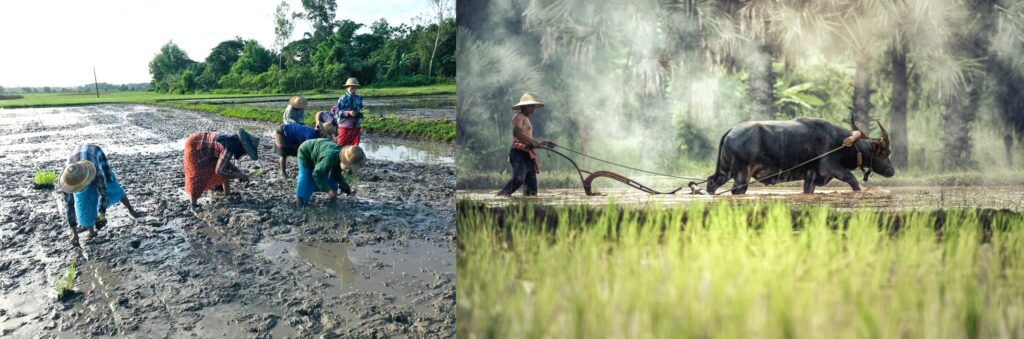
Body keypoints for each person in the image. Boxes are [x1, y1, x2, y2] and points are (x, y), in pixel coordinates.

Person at [58, 144, 141, 246]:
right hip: (77, 159)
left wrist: (102, 214)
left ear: (88, 178)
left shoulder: (97, 172)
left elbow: (104, 194)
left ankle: (131, 210)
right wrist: (74, 233)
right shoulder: (68, 181)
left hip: (95, 153)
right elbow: (69, 206)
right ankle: (92, 232)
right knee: (83, 202)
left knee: (112, 186)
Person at [497, 93, 555, 197]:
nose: (533, 108)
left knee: (531, 189)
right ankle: (500, 198)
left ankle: (529, 208)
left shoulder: (527, 119)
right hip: (518, 154)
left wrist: (544, 143)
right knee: (519, 179)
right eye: (530, 105)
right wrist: (533, 141)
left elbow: (528, 141)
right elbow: (516, 132)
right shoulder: (518, 116)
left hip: (528, 155)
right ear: (523, 106)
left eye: (533, 105)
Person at [183, 129, 260, 207]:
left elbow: (226, 163)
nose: (245, 154)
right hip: (195, 143)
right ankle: (193, 204)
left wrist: (238, 172)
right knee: (197, 173)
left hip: (208, 145)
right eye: (246, 152)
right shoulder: (230, 146)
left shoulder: (234, 142)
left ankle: (227, 194)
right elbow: (219, 170)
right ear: (243, 148)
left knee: (224, 167)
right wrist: (238, 175)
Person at [295, 139, 364, 205]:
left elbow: (336, 172)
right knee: (306, 178)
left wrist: (343, 183)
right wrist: (328, 190)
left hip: (322, 152)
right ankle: (300, 200)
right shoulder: (329, 159)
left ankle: (332, 202)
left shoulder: (342, 157)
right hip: (306, 153)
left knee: (332, 181)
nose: (349, 169)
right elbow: (316, 174)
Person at [336, 78, 364, 146]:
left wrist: (359, 114)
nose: (353, 88)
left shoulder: (359, 98)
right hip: (345, 125)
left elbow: (361, 110)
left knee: (355, 146)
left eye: (355, 87)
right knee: (341, 145)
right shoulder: (342, 98)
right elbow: (338, 112)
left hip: (356, 125)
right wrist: (348, 113)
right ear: (347, 87)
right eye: (351, 87)